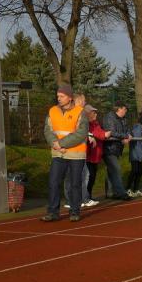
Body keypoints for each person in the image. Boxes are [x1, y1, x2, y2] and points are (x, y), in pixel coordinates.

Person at [41, 84, 88, 222]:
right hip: (58, 154)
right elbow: (48, 130)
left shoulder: (80, 112)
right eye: (58, 96)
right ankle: (53, 212)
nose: (59, 98)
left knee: (75, 184)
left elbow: (81, 134)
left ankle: (75, 211)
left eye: (62, 96)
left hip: (76, 155)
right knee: (53, 182)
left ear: (70, 97)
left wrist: (61, 144)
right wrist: (55, 144)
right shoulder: (52, 111)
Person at [62, 93, 99, 209]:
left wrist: (89, 135)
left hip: (79, 150)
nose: (85, 103)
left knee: (81, 175)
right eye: (83, 101)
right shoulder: (72, 114)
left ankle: (77, 199)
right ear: (78, 101)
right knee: (76, 175)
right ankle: (78, 199)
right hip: (71, 150)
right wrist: (88, 136)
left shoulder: (79, 114)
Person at [103, 101, 133, 201]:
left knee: (111, 171)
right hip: (109, 148)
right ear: (119, 109)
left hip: (117, 148)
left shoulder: (124, 119)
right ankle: (121, 193)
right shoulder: (109, 117)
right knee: (116, 169)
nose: (126, 111)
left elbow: (128, 130)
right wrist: (125, 136)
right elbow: (111, 132)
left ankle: (111, 193)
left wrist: (128, 135)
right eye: (124, 109)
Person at [84, 104, 111, 203]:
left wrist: (104, 134)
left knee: (93, 176)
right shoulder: (86, 124)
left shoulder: (96, 124)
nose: (95, 114)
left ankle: (89, 196)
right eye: (93, 112)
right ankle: (85, 197)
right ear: (87, 114)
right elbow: (97, 134)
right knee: (88, 177)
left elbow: (99, 132)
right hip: (88, 155)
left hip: (96, 155)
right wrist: (104, 134)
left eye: (95, 112)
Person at [127, 110, 142, 197]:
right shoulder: (137, 127)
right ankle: (128, 189)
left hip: (141, 154)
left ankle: (136, 189)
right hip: (135, 153)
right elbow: (136, 135)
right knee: (134, 171)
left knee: (140, 171)